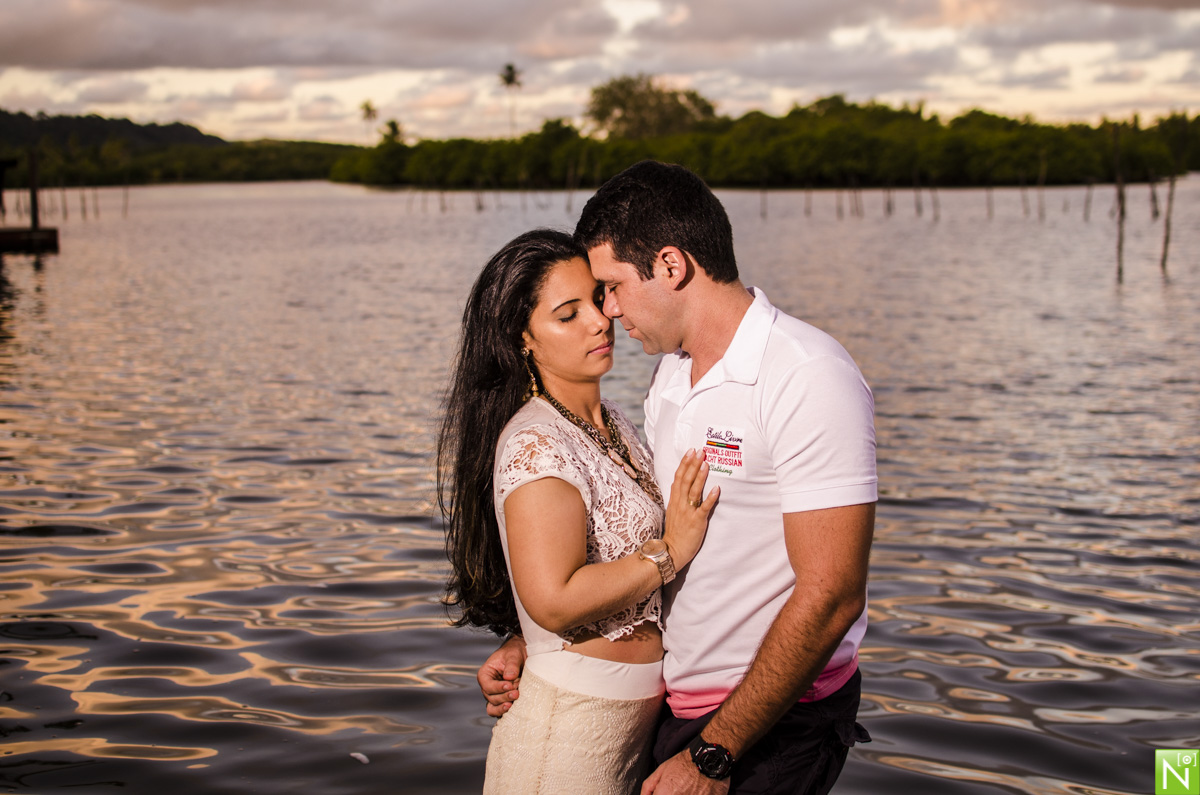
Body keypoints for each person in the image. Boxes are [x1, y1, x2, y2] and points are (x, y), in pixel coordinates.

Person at [479, 162, 877, 795]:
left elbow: (832, 595)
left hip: (769, 724)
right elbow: (637, 542)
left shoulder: (805, 374)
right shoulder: (668, 378)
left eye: (611, 287)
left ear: (670, 266)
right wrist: (538, 639)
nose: (608, 313)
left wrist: (714, 754)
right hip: (672, 713)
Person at [437, 229, 720, 794]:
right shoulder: (537, 443)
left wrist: (521, 641)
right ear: (522, 338)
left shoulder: (614, 420)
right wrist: (669, 552)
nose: (599, 321)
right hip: (565, 738)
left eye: (597, 299)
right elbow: (554, 600)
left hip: (629, 731)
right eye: (567, 315)